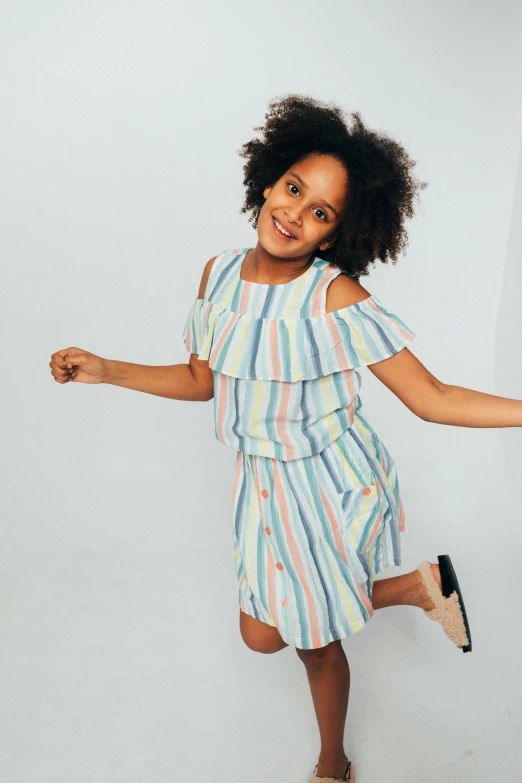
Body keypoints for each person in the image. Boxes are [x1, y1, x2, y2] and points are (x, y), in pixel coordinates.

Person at [49, 94, 522, 783]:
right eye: (294, 188)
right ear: (269, 180)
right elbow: (201, 379)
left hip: (326, 480)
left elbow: (434, 397)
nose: (295, 212)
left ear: (333, 234)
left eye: (321, 211)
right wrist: (105, 369)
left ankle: (334, 764)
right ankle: (422, 587)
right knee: (260, 633)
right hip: (260, 481)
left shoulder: (334, 300)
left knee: (310, 641)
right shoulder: (216, 275)